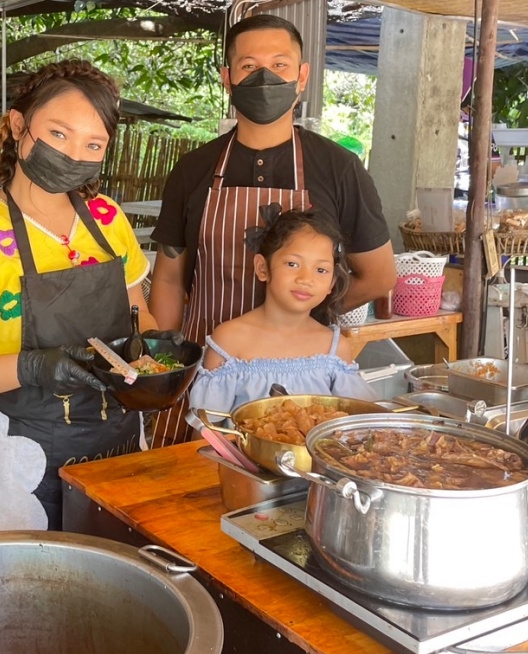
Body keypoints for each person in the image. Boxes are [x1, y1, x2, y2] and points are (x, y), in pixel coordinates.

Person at [0, 59, 174, 532]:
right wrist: (29, 367)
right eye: (58, 134)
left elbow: (141, 317)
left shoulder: (108, 220)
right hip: (20, 458)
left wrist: (159, 359)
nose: (74, 154)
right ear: (19, 125)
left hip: (115, 446)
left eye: (93, 144)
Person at [148, 14, 394, 446]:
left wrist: (311, 310)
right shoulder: (193, 170)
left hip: (298, 386)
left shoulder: (339, 169)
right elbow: (168, 278)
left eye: (280, 65)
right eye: (248, 66)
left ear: (302, 77)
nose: (264, 76)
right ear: (228, 78)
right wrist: (166, 368)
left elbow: (379, 275)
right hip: (209, 372)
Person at [189, 210, 374, 416]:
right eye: (292, 264)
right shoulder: (229, 341)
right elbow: (207, 435)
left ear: (331, 283)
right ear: (262, 268)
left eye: (320, 270)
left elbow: (357, 426)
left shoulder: (334, 349)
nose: (306, 278)